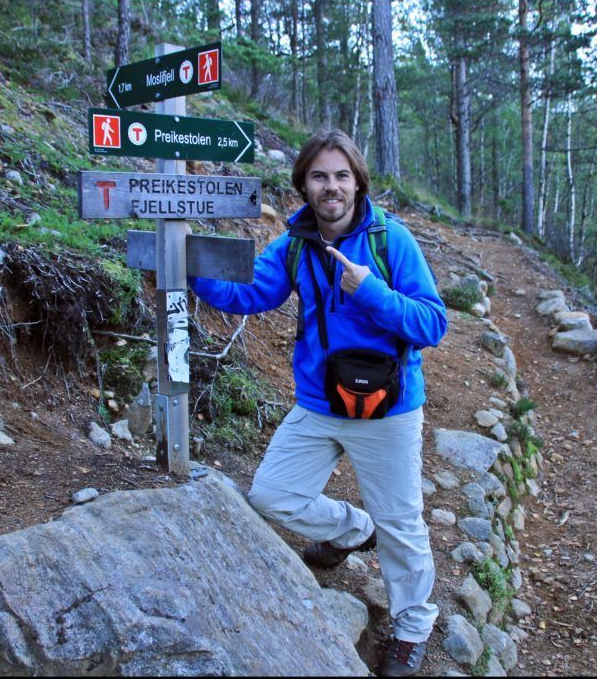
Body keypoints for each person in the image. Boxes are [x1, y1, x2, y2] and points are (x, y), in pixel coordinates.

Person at [189, 128, 447, 677]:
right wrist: (190, 268)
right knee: (271, 496)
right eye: (319, 176)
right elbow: (252, 295)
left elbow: (433, 323)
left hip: (388, 408)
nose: (331, 187)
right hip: (319, 402)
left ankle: (412, 626)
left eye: (341, 176)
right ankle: (353, 530)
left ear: (357, 182)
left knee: (402, 522)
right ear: (303, 185)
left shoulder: (390, 240)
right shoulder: (296, 245)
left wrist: (370, 290)